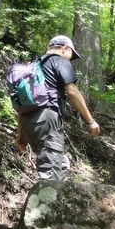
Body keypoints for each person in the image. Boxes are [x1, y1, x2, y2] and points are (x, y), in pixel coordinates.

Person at [15, 35, 100, 180]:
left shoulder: (34, 66)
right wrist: (90, 121)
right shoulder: (59, 60)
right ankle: (49, 201)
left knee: (59, 165)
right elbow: (72, 91)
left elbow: (23, 103)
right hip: (47, 120)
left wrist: (21, 135)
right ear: (64, 48)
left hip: (29, 125)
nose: (69, 60)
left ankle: (55, 198)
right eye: (70, 55)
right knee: (52, 176)